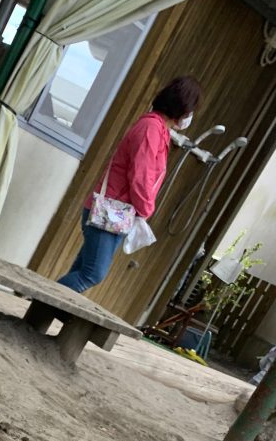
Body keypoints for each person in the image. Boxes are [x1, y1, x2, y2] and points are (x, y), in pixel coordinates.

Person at [57, 75, 203, 295]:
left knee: (82, 270)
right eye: (191, 111)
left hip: (118, 212)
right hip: (111, 210)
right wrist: (146, 209)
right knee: (92, 274)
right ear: (183, 108)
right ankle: (35, 297)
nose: (190, 116)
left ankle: (40, 309)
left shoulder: (159, 130)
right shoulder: (151, 128)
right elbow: (141, 176)